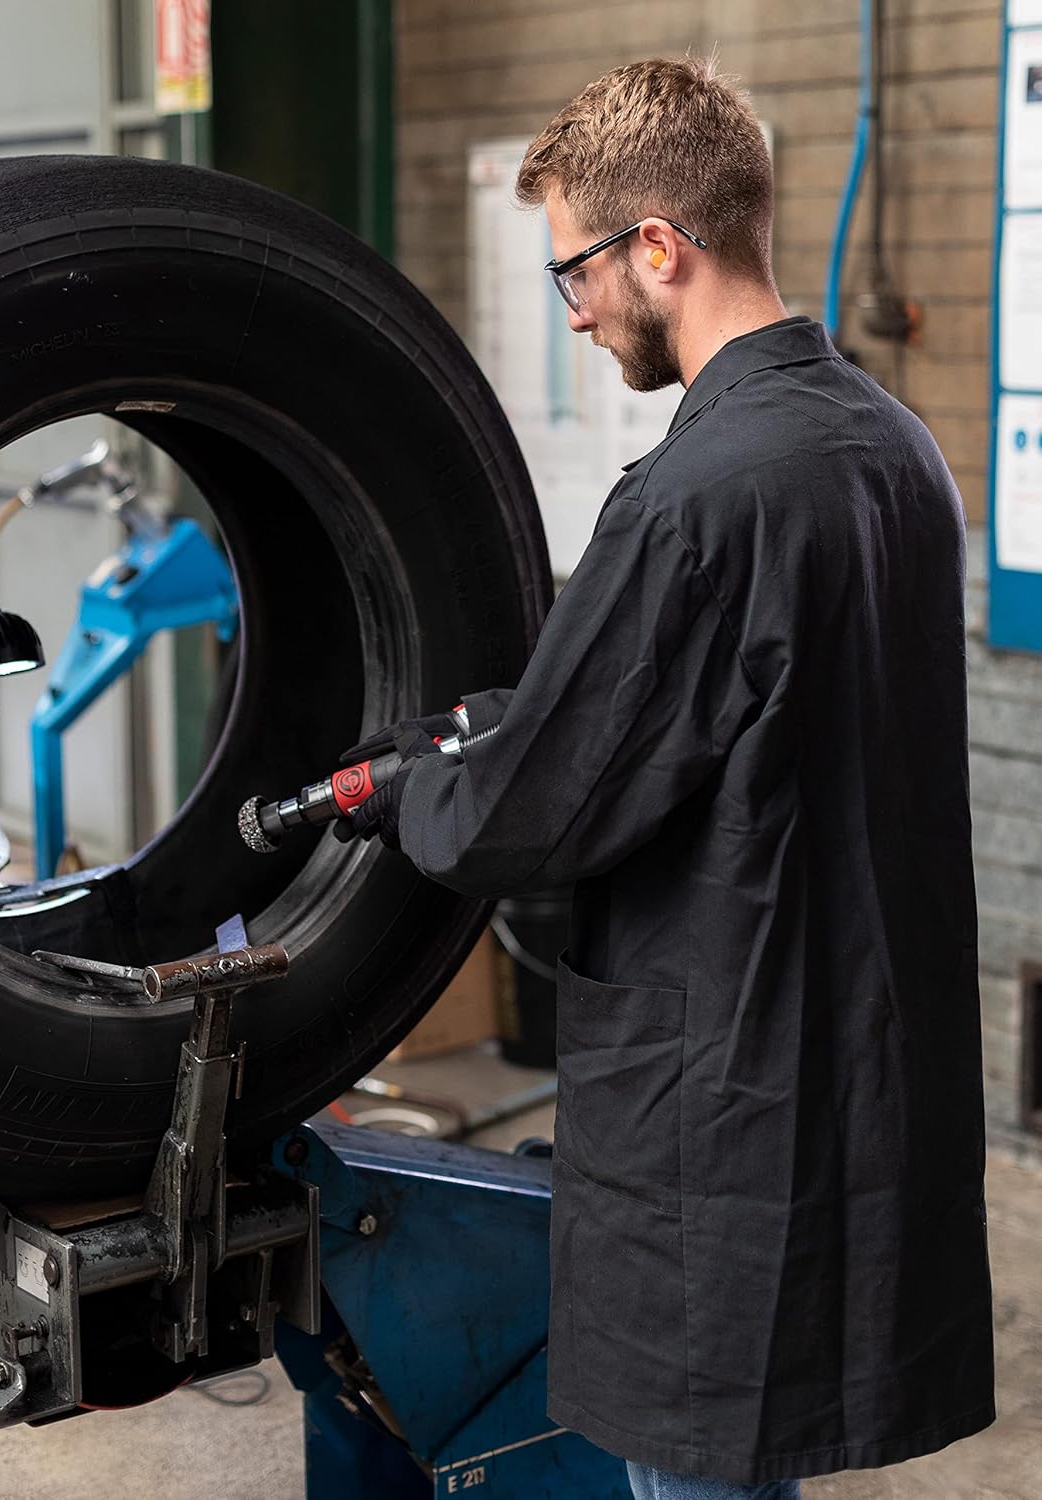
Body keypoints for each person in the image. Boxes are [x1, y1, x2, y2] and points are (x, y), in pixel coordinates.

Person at [336, 55, 995, 1500]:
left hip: (726, 1093)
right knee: (761, 1456)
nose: (573, 310)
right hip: (853, 1063)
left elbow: (538, 808)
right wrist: (527, 711)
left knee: (699, 1470)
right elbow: (741, 706)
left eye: (577, 270)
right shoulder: (889, 448)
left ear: (658, 246)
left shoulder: (701, 494)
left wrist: (411, 787)